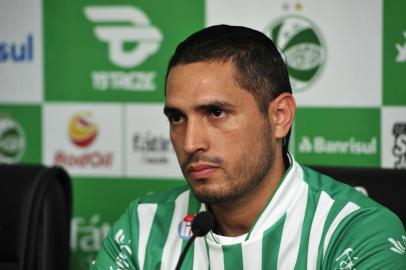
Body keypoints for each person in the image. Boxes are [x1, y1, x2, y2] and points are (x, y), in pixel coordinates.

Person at [91, 25, 406, 270]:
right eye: (177, 118)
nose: (190, 143)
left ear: (279, 117)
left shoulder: (355, 232)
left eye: (216, 113)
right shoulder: (143, 226)